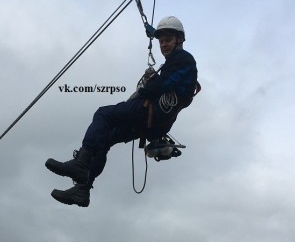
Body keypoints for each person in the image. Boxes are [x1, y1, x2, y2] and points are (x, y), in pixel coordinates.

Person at [45, 15, 198, 207]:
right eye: (161, 41)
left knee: (103, 114)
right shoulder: (178, 62)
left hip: (151, 111)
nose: (163, 45)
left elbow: (161, 85)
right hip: (156, 123)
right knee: (104, 139)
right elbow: (169, 81)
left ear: (180, 40)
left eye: (167, 40)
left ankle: (81, 162)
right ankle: (83, 190)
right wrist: (152, 33)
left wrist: (141, 92)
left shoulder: (182, 59)